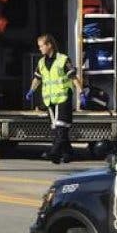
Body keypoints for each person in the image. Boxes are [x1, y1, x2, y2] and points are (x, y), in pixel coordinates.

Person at [24, 33, 86, 164]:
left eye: (41, 46)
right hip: (50, 100)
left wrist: (81, 92)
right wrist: (31, 90)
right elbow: (37, 79)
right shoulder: (41, 62)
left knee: (61, 127)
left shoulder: (63, 60)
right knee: (57, 128)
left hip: (63, 98)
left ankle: (54, 152)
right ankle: (67, 153)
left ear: (49, 45)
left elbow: (73, 77)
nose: (40, 49)